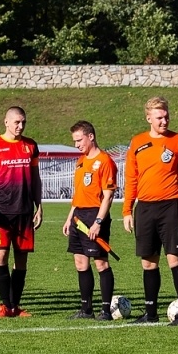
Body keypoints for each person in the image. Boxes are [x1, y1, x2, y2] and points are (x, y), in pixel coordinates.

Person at [122, 96, 178, 325]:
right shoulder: (137, 143)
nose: (164, 121)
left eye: (166, 116)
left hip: (170, 206)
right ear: (149, 119)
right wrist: (127, 210)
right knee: (148, 262)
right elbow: (131, 178)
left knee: (175, 259)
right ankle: (150, 312)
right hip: (145, 208)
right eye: (159, 117)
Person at [0, 106, 42, 317]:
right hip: (2, 213)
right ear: (6, 122)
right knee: (1, 256)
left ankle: (15, 305)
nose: (20, 126)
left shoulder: (30, 145)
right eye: (16, 122)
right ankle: (5, 305)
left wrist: (39, 205)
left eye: (23, 122)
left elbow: (35, 178)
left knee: (22, 259)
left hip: (24, 212)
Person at [65, 120, 118, 320]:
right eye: (75, 141)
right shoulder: (80, 161)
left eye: (79, 140)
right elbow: (78, 193)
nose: (77, 145)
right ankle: (86, 309)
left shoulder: (105, 161)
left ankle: (105, 311)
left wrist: (98, 222)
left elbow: (108, 196)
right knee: (80, 262)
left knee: (101, 263)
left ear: (91, 136)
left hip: (95, 215)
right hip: (78, 216)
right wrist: (69, 218)